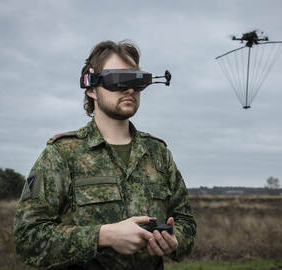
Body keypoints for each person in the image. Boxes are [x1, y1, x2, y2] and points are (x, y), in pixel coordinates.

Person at [13, 40, 196, 269]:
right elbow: (28, 239)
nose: (130, 89)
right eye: (118, 80)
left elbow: (186, 222)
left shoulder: (158, 154)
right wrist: (103, 236)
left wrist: (173, 240)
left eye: (136, 81)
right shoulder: (61, 154)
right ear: (91, 89)